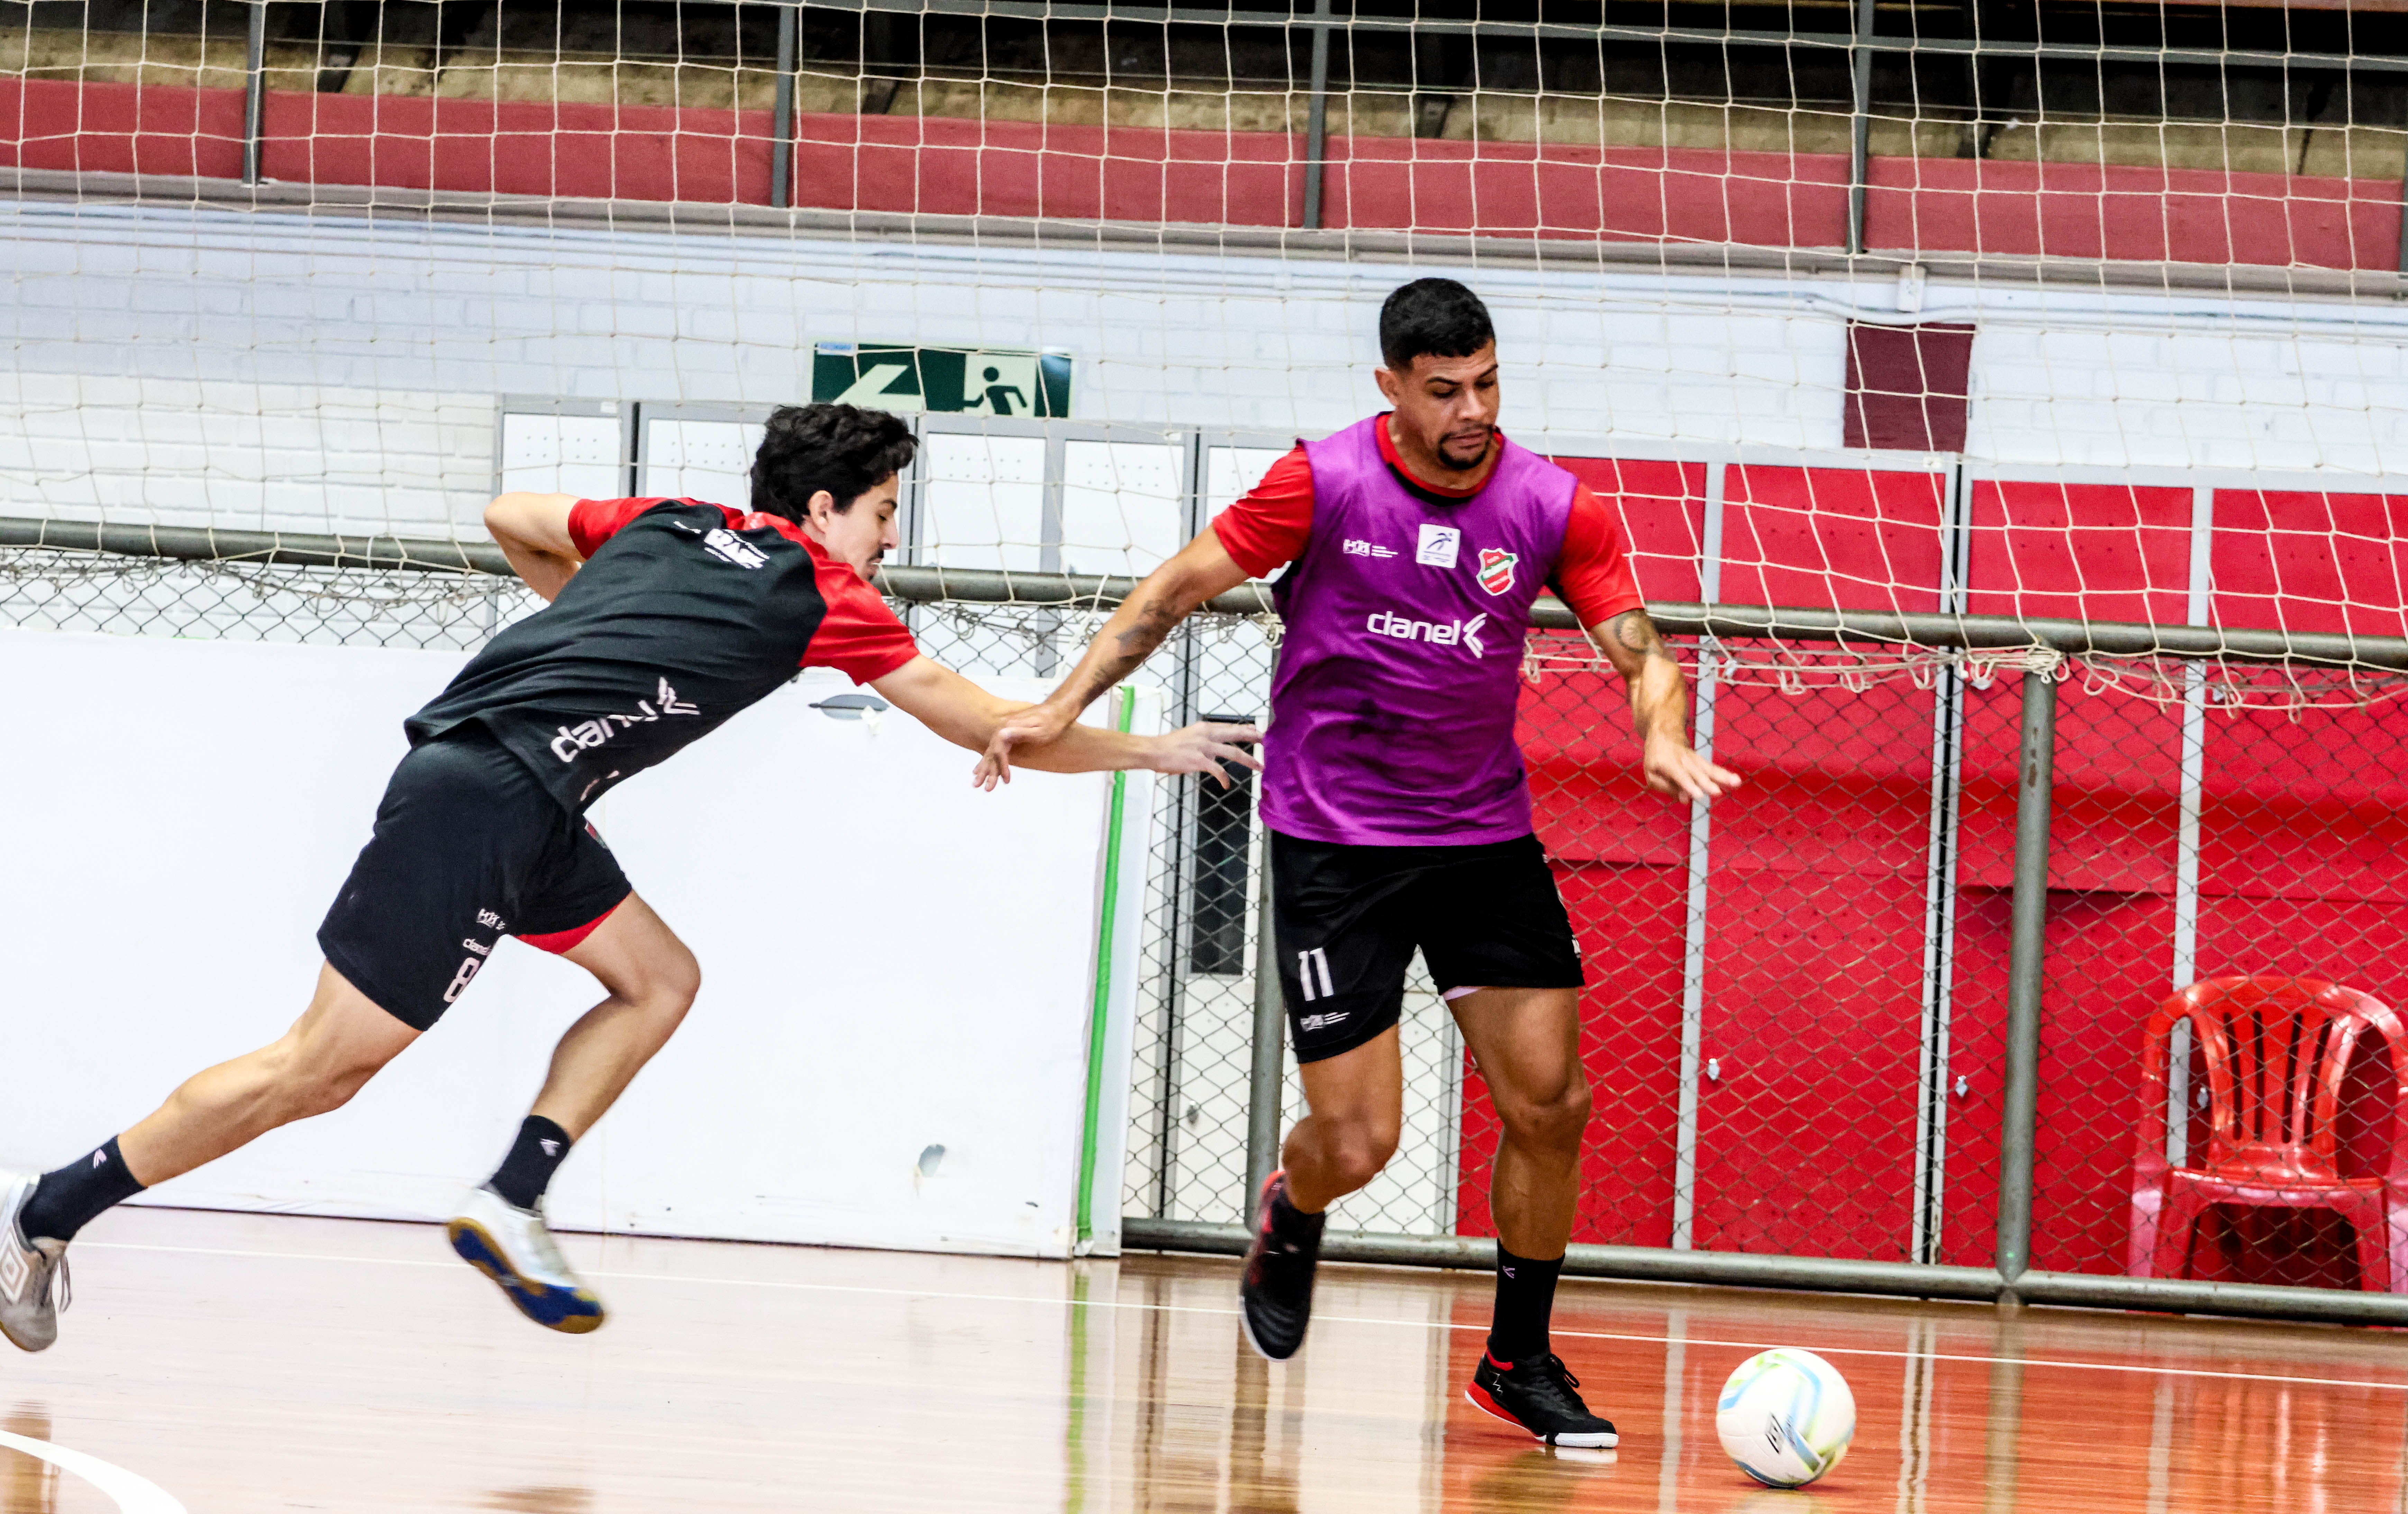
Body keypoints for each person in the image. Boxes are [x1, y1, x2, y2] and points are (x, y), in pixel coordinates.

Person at [0, 402, 1259, 1353]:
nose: (890, 540)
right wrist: (1156, 747)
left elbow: (512, 513)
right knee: (318, 1070)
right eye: (885, 514)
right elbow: (997, 727)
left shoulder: (663, 522)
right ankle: (48, 1209)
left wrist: (588, 618)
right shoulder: (822, 591)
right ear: (826, 510)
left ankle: (514, 1197)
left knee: (659, 979)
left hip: (532, 796)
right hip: (487, 795)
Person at [979, 279, 1739, 1450]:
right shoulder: (1321, 482)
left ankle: (1518, 1360)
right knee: (1359, 1143)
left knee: (1552, 1103)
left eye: (1487, 384)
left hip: (1482, 838)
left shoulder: (1552, 504)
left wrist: (1662, 729)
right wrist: (1059, 705)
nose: (1472, 411)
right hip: (1337, 842)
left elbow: (1638, 643)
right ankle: (1295, 1206)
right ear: (1391, 387)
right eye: (1445, 392)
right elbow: (1171, 592)